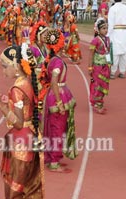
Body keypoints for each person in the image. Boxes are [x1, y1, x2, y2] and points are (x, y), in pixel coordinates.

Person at [0, 45, 43, 198]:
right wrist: (8, 101)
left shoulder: (17, 88)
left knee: (15, 189)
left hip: (20, 142)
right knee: (30, 185)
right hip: (30, 137)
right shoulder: (26, 81)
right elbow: (25, 106)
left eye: (5, 67)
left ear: (16, 66)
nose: (3, 71)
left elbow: (18, 122)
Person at [42, 29, 77, 172]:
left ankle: (52, 157)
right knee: (58, 129)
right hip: (58, 96)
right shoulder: (57, 62)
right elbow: (55, 81)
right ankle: (54, 162)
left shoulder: (51, 60)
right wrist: (59, 103)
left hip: (55, 95)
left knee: (54, 128)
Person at [88, 19, 111, 114]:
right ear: (98, 30)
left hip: (105, 67)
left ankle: (100, 102)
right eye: (103, 28)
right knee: (97, 85)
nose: (106, 30)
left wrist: (109, 63)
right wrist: (90, 67)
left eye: (106, 28)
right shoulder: (95, 41)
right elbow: (91, 55)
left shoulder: (108, 39)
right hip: (97, 67)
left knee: (104, 84)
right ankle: (97, 104)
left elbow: (108, 52)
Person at [107, 0, 126, 79]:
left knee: (114, 53)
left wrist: (107, 34)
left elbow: (110, 23)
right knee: (124, 54)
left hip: (115, 32)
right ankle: (122, 72)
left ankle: (112, 72)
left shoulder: (112, 9)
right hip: (124, 32)